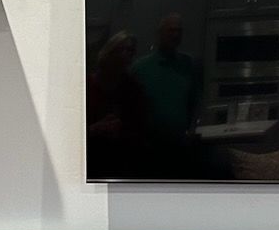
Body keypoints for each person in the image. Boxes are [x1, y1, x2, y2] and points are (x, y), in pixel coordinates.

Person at [130, 14, 201, 169]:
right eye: (171, 30)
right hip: (148, 146)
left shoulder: (188, 65)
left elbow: (195, 101)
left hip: (181, 144)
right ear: (160, 33)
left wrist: (192, 130)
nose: (175, 35)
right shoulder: (140, 68)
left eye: (179, 31)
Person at [86, 31, 147, 178]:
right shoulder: (88, 86)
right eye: (122, 49)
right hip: (92, 160)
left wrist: (122, 128)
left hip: (123, 162)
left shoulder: (133, 88)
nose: (126, 55)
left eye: (130, 51)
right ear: (109, 53)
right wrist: (95, 129)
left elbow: (140, 126)